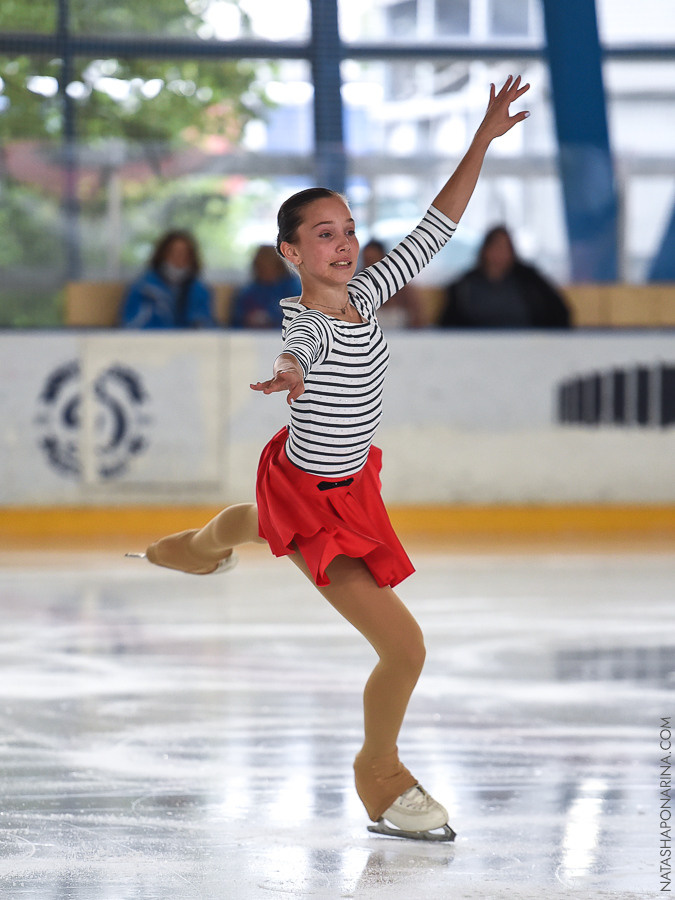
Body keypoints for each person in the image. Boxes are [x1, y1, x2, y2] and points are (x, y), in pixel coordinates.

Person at [127, 76, 531, 841]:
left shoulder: (369, 294)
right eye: (323, 233)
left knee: (253, 522)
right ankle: (377, 773)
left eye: (346, 228)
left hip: (341, 484)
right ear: (290, 252)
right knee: (404, 648)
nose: (342, 242)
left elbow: (437, 225)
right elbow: (298, 351)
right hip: (315, 498)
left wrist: (479, 139)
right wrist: (287, 375)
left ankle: (193, 548)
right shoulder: (305, 318)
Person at [437, 224, 570, 328]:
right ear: (485, 251)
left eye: (505, 248)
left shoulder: (530, 281)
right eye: (496, 247)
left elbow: (559, 313)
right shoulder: (464, 287)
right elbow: (449, 325)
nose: (500, 253)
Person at [121, 230, 215, 329]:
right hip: (152, 342)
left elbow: (206, 325)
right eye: (173, 253)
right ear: (162, 254)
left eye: (184, 254)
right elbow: (131, 325)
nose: (179, 258)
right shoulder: (144, 288)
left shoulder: (199, 290)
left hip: (189, 343)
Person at [230, 244, 302, 328]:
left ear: (278, 266)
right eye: (261, 266)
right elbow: (235, 321)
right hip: (253, 336)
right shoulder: (248, 291)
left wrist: (271, 317)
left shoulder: (294, 288)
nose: (265, 270)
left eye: (269, 265)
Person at [359, 239, 424, 328]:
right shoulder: (356, 290)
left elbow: (419, 322)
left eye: (375, 261)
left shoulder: (403, 288)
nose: (371, 267)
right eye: (367, 262)